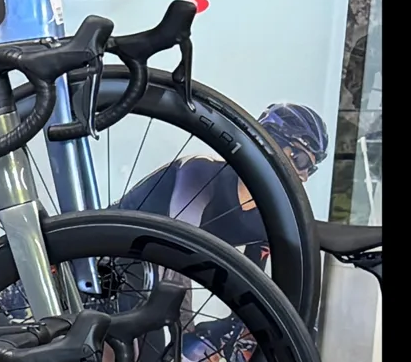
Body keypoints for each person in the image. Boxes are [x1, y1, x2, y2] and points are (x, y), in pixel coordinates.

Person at [115, 102, 328, 262]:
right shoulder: (200, 170)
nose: (304, 176)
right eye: (300, 160)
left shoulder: (267, 217)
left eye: (311, 169)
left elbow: (255, 289)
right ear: (270, 143)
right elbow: (179, 246)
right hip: (112, 244)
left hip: (150, 263)